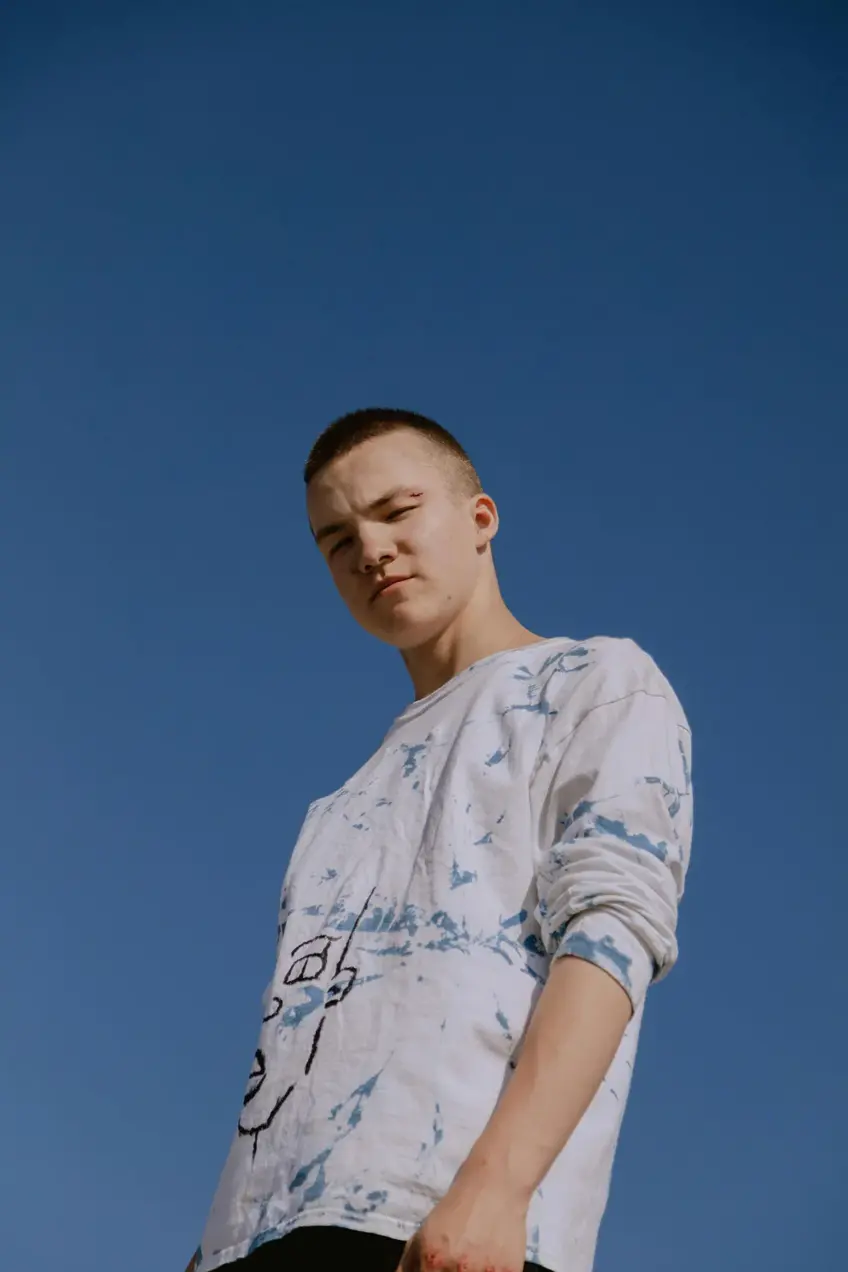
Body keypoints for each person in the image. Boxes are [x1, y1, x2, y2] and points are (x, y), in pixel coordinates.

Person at [185, 408, 693, 1272]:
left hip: (439, 1228)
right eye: (337, 539)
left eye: (397, 510)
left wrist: (497, 1187)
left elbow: (613, 933)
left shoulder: (596, 683)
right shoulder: (336, 806)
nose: (371, 550)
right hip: (260, 1238)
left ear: (480, 518)